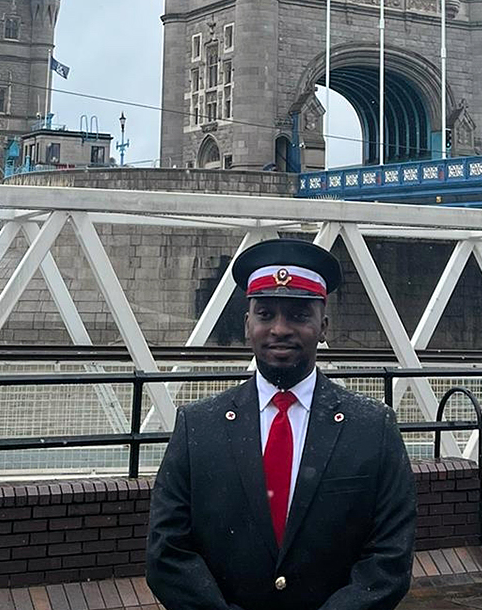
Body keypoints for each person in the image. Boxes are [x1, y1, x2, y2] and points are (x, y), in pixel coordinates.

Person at [146, 238, 417, 610]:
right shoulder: (197, 427)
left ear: (323, 326)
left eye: (298, 315)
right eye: (266, 314)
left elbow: (389, 559)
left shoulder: (373, 429)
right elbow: (166, 552)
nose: (280, 329)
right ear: (246, 325)